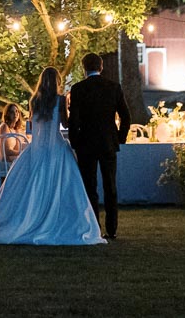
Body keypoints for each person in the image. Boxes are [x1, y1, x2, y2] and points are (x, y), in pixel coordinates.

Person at [0, 66, 105, 245]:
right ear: (57, 82)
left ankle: (31, 215)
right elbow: (65, 123)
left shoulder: (34, 100)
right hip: (56, 147)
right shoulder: (59, 100)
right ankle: (58, 218)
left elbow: (33, 124)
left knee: (31, 184)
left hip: (37, 148)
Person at [67, 53, 132, 240]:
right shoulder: (113, 87)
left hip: (86, 143)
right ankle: (111, 229)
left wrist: (74, 141)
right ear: (101, 67)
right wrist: (120, 137)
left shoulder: (78, 89)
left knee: (90, 186)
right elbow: (126, 116)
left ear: (84, 68)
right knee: (110, 186)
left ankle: (94, 226)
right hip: (108, 143)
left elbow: (74, 120)